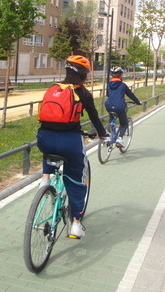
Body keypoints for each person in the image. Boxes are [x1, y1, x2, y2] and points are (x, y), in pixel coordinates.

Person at [37, 55, 108, 238]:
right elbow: (94, 118)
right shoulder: (83, 93)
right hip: (70, 141)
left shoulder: (53, 89)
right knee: (78, 179)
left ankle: (45, 180)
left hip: (43, 138)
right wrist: (102, 134)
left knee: (49, 150)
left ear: (67, 70)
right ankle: (76, 224)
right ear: (84, 75)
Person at [105, 67, 141, 147]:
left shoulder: (109, 85)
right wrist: (137, 102)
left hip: (109, 105)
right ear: (121, 75)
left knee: (112, 119)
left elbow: (108, 95)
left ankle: (108, 134)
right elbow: (130, 95)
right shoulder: (123, 85)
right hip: (119, 106)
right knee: (124, 124)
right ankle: (119, 139)